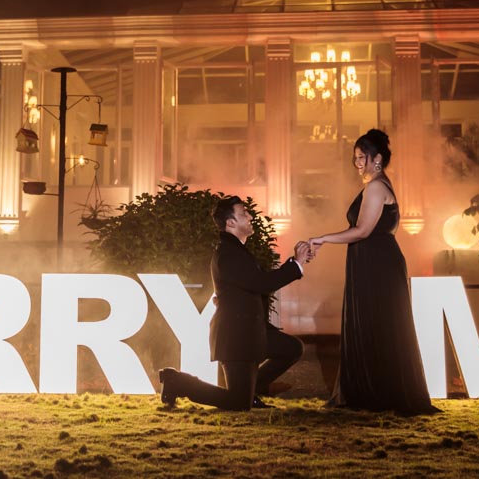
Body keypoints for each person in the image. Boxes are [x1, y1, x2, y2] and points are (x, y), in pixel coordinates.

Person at [309, 129, 439, 415]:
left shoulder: (376, 187)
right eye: (354, 158)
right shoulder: (376, 185)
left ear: (377, 158)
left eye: (361, 157)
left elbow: (363, 230)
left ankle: (377, 393)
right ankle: (374, 391)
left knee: (379, 325)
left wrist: (323, 239)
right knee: (376, 325)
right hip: (372, 261)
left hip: (377, 264)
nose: (357, 163)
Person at [157, 196, 312, 411]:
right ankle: (178, 382)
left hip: (250, 332)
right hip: (236, 338)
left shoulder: (236, 251)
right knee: (237, 403)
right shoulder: (228, 253)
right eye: (243, 213)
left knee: (291, 348)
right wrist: (296, 264)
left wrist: (295, 263)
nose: (250, 216)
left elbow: (255, 282)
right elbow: (261, 283)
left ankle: (251, 391)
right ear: (231, 223)